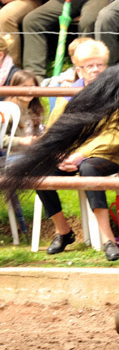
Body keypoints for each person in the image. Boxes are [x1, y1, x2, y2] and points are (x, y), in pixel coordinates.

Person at [36, 39, 119, 261]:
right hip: (69, 156)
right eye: (89, 66)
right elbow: (54, 128)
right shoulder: (68, 94)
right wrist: (58, 155)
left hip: (104, 155)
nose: (95, 69)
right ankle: (63, 231)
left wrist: (80, 155)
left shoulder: (117, 93)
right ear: (78, 70)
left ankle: (108, 239)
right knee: (38, 171)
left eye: (99, 64)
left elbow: (115, 134)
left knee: (88, 169)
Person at [2, 69, 44, 234]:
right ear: (14, 87)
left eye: (32, 86)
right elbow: (1, 139)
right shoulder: (8, 111)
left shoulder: (34, 110)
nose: (28, 90)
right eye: (23, 86)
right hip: (12, 157)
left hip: (31, 155)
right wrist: (21, 141)